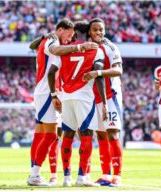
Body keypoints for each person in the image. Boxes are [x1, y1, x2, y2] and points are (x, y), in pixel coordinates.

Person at [48, 20, 108, 187]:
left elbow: (51, 72)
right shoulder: (95, 49)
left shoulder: (66, 50)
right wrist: (104, 103)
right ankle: (82, 177)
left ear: (75, 33)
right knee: (87, 135)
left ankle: (66, 177)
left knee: (67, 135)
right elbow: (99, 76)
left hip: (66, 97)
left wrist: (54, 95)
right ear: (88, 33)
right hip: (84, 97)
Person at [27, 18, 75, 186]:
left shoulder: (46, 39)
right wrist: (78, 47)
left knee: (40, 134)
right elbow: (55, 49)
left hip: (41, 92)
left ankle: (34, 172)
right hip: (47, 92)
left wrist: (42, 37)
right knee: (51, 135)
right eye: (68, 35)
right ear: (60, 30)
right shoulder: (53, 40)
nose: (69, 39)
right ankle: (34, 175)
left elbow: (31, 46)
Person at [83, 18, 123, 187]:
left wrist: (98, 73)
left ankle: (117, 176)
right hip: (95, 97)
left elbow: (118, 70)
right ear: (89, 32)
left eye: (101, 29)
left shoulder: (110, 47)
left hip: (111, 96)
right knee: (100, 135)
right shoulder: (88, 48)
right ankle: (106, 174)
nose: (99, 32)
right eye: (95, 30)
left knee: (112, 133)